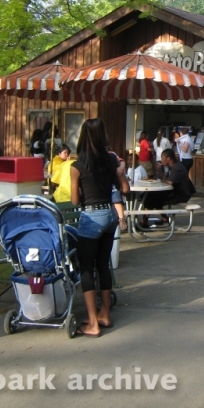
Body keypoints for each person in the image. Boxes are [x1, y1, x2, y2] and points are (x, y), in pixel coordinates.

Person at [70, 118, 121, 337]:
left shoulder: (77, 166)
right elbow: (117, 183)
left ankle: (92, 323)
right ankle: (105, 314)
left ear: (83, 137)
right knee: (103, 264)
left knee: (86, 268)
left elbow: (74, 201)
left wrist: (83, 191)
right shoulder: (111, 160)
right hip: (110, 214)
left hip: (91, 216)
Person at [142, 148, 195, 215]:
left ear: (168, 158)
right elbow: (167, 180)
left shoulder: (177, 168)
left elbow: (170, 182)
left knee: (151, 198)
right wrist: (160, 172)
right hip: (175, 192)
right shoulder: (173, 166)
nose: (161, 160)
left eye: (162, 158)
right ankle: (164, 218)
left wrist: (161, 180)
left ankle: (145, 220)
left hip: (181, 195)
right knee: (152, 196)